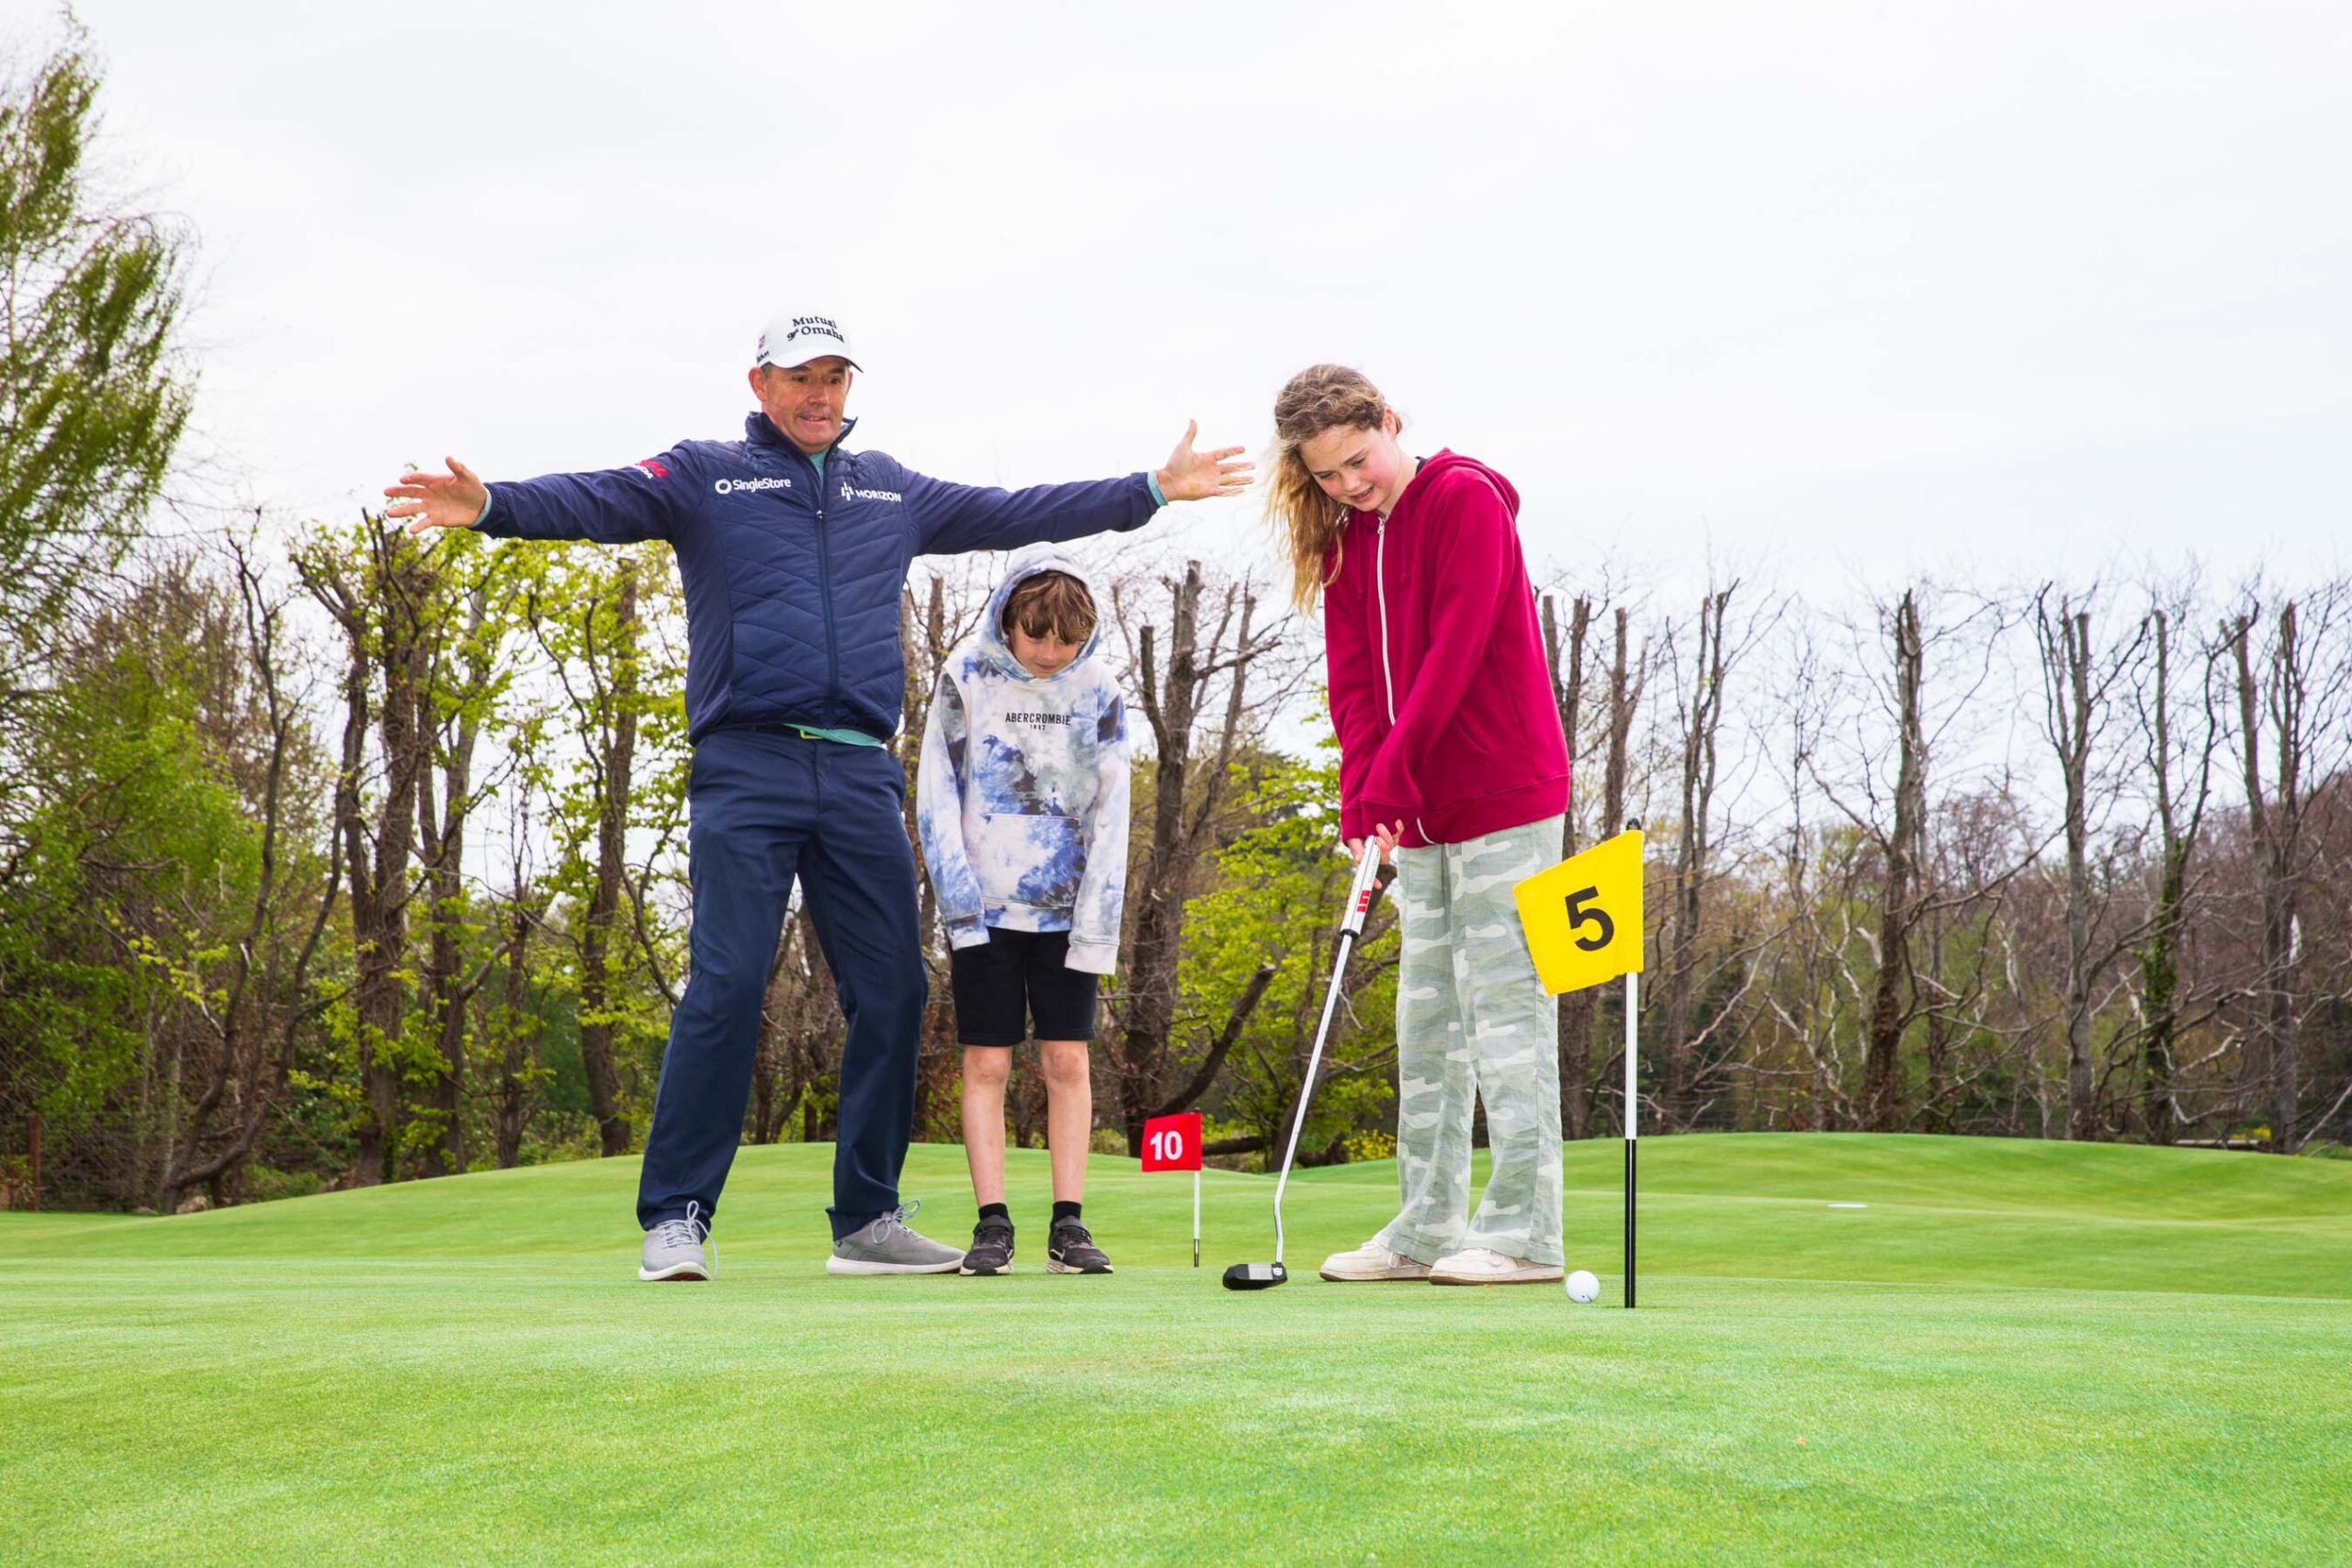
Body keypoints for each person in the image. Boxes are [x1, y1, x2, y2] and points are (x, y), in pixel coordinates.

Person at [386, 310, 1249, 1281]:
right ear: (760, 383)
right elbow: (600, 501)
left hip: (855, 771)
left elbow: (1015, 510)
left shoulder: (891, 490)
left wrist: (1147, 491)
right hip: (746, 765)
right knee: (726, 982)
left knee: (893, 991)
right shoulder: (708, 474)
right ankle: (675, 1217)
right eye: (801, 377)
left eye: (835, 379)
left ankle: (866, 1221)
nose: (819, 396)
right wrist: (494, 502)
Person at [1262, 363, 1570, 1287]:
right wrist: (1363, 792)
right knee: (1426, 1018)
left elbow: (1455, 653)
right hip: (1414, 812)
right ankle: (1426, 1226)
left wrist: (1392, 777)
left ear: (1390, 422)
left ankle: (1524, 1232)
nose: (1349, 485)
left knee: (1507, 1011)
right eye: (1325, 476)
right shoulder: (1346, 542)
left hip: (1505, 793)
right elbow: (1353, 679)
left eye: (1358, 460)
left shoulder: (1466, 500)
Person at [915, 550, 1125, 1277]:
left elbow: (1114, 806)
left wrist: (1100, 913)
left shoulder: (1099, 686)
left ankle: (1069, 1224)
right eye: (1037, 638)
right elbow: (935, 788)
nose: (1049, 653)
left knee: (1067, 1059)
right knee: (987, 1061)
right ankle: (992, 1222)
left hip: (1069, 910)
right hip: (984, 908)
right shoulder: (967, 674)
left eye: (1065, 642)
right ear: (1010, 620)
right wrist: (956, 896)